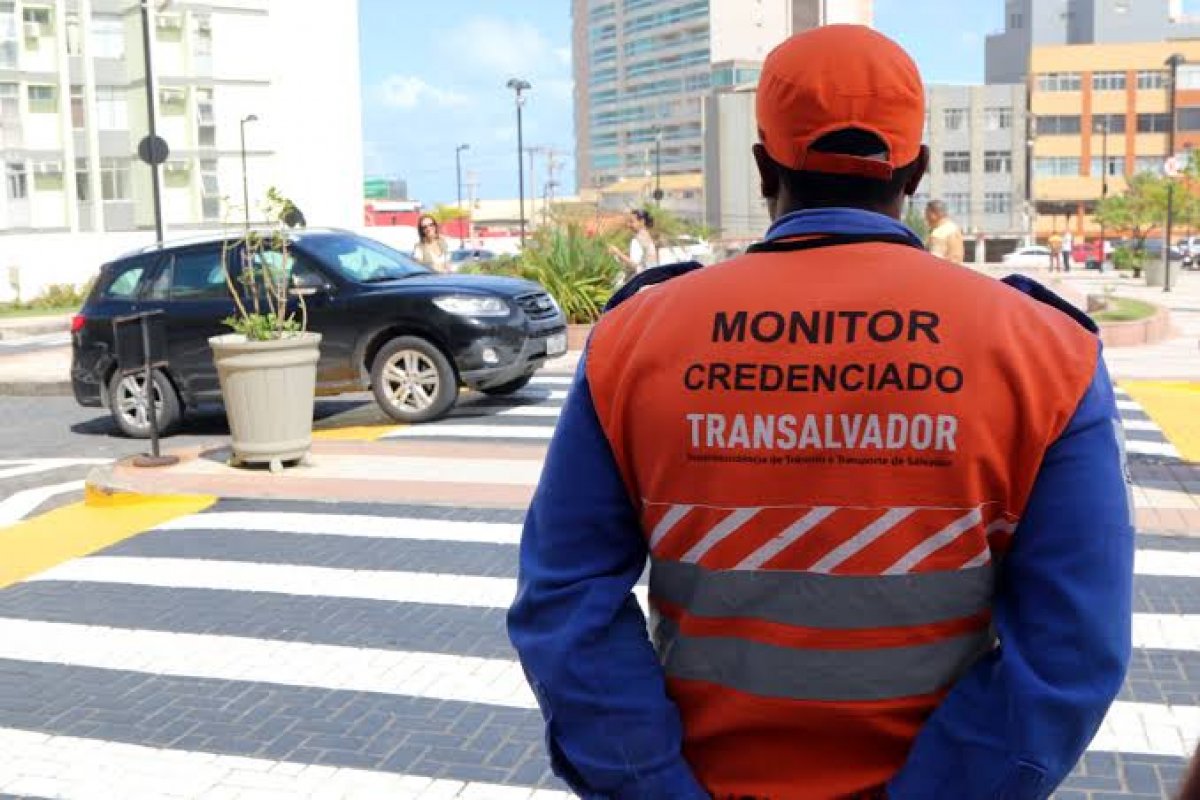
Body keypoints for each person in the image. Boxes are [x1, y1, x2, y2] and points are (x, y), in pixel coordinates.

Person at [508, 24, 1133, 800]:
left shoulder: (637, 339)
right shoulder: (1045, 352)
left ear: (764, 166)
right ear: (917, 169)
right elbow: (1071, 652)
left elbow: (565, 605)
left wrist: (654, 786)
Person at [609, 208, 659, 279]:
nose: (628, 225)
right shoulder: (647, 237)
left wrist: (617, 252)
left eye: (631, 222)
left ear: (642, 222)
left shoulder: (637, 240)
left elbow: (634, 265)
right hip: (650, 278)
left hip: (640, 281)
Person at [925, 199, 964, 264]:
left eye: (926, 214)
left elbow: (934, 263)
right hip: (956, 270)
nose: (926, 218)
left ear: (933, 214)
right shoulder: (954, 228)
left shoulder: (938, 234)